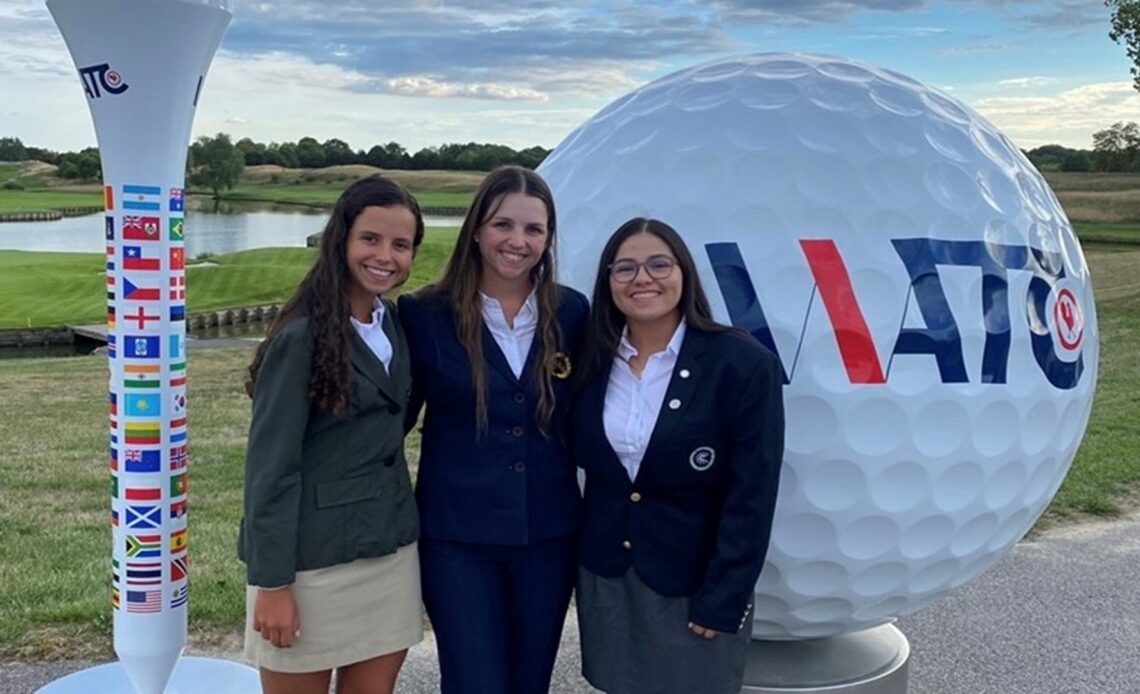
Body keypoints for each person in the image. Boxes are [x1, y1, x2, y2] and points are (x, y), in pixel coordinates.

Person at [571, 217, 785, 694]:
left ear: (684, 273)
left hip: (695, 582)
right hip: (609, 575)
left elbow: (752, 492)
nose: (642, 278)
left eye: (658, 264)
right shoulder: (590, 358)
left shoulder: (740, 363)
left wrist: (725, 596)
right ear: (608, 282)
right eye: (624, 268)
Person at [397, 165, 589, 694]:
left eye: (534, 230)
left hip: (548, 537)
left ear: (548, 239)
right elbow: (392, 421)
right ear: (477, 228)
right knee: (474, 682)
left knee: (530, 684)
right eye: (503, 225)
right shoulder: (423, 314)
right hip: (457, 539)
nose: (517, 241)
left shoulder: (571, 312)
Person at [238, 175, 425, 694]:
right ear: (340, 238)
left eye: (401, 244)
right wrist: (272, 583)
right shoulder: (300, 339)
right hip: (310, 566)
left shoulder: (393, 325)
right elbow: (270, 470)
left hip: (388, 553)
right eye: (371, 238)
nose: (385, 255)